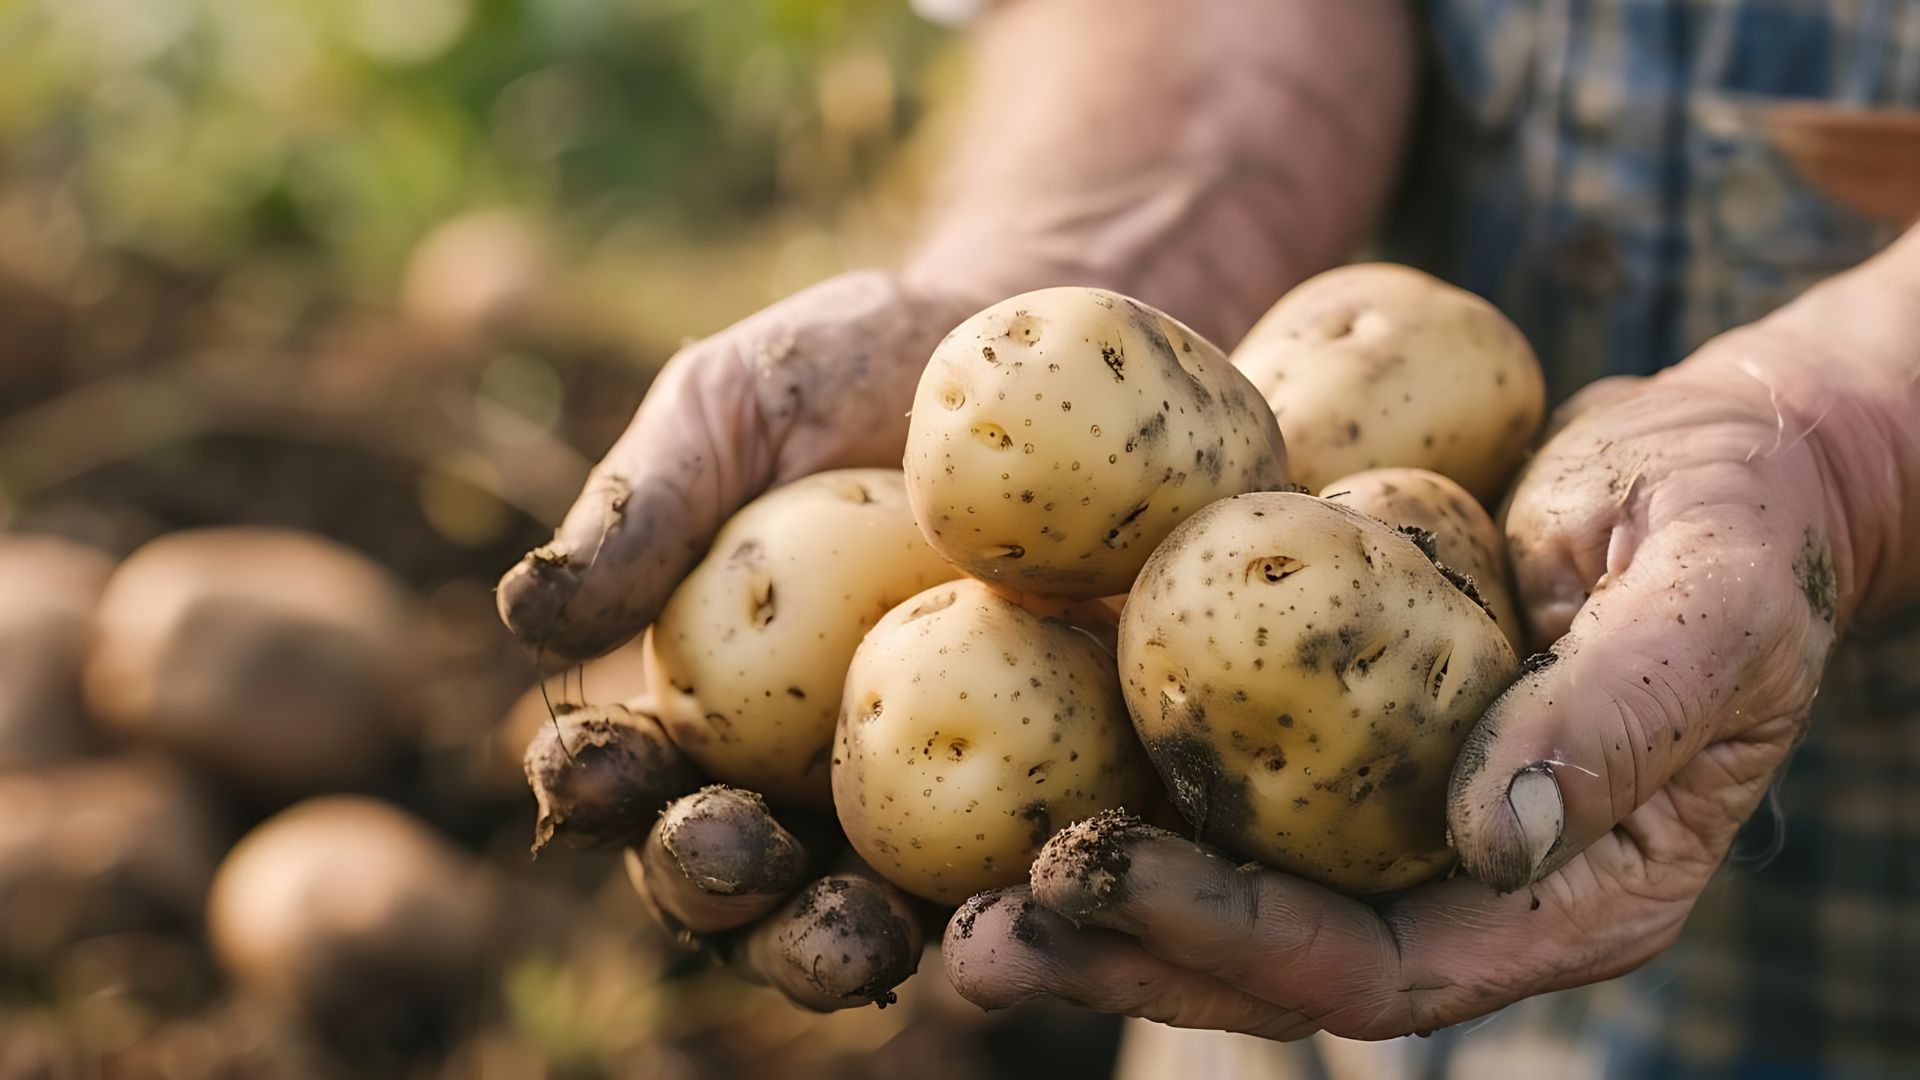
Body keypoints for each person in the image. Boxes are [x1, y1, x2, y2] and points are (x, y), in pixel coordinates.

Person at [496, 2, 1920, 1074]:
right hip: (1268, 954)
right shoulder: (1209, 546)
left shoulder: (1274, 552)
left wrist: (1859, 439)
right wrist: (1118, 233)